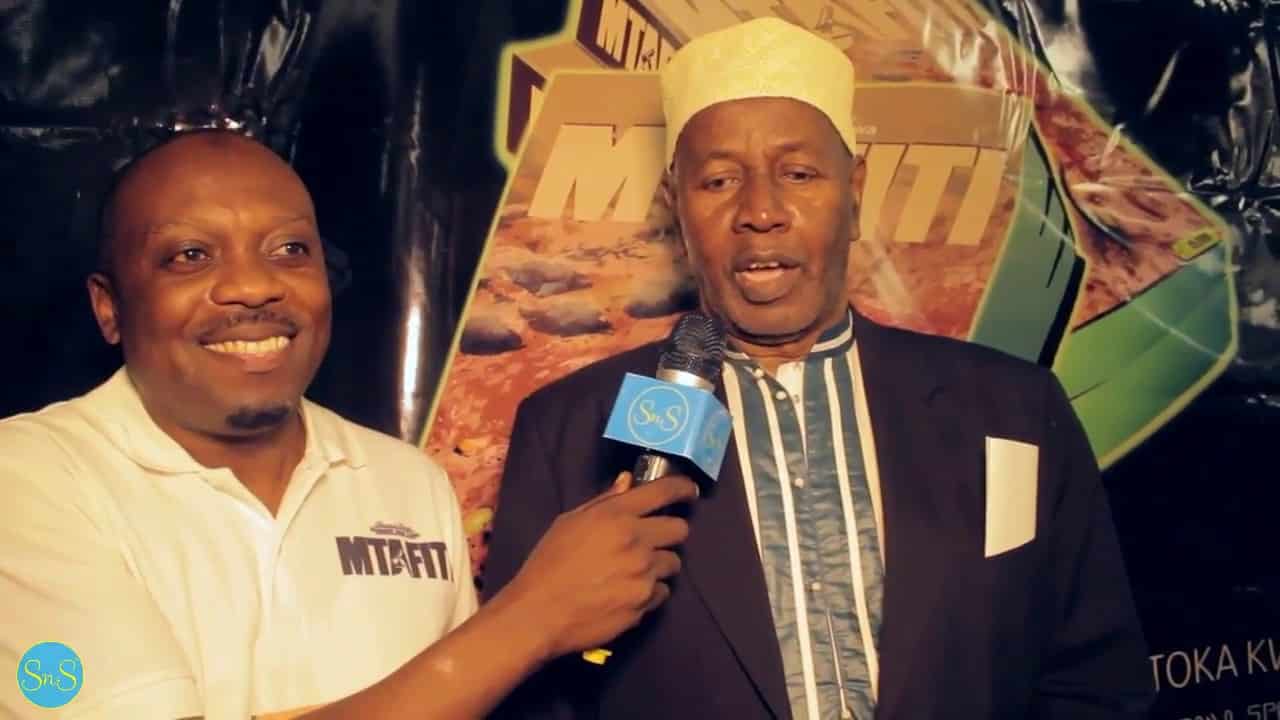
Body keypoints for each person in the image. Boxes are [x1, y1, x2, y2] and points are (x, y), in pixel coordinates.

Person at [482, 17, 1154, 720]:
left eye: (798, 174)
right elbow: (536, 703)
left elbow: (1094, 686)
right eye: (718, 180)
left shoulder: (1014, 409)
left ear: (854, 192)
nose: (760, 211)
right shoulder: (567, 432)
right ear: (676, 208)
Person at [0, 130, 698, 720]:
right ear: (110, 308)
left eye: (288, 249)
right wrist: (532, 617)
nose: (254, 286)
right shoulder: (30, 479)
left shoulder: (407, 482)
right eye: (190, 255)